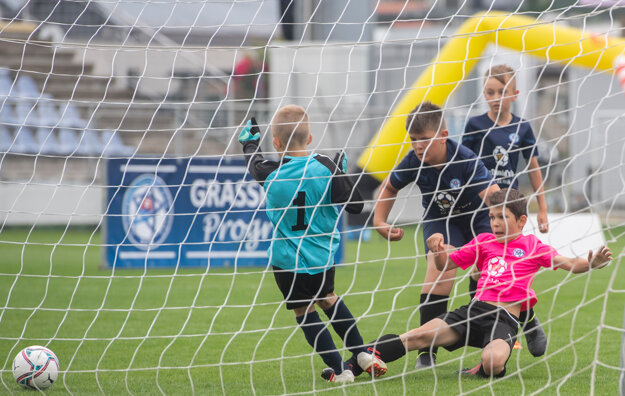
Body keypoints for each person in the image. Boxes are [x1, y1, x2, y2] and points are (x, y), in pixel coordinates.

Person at [358, 188, 612, 378]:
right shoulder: (483, 241)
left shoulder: (533, 246)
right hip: (473, 311)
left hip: (504, 319)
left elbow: (569, 263)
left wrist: (591, 263)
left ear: (521, 221)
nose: (496, 223)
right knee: (420, 336)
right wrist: (437, 249)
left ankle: (481, 368)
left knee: (493, 362)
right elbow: (446, 265)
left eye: (502, 217)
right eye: (492, 217)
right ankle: (359, 360)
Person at [238, 105, 384, 383]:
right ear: (310, 138)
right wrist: (342, 174)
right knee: (328, 299)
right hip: (322, 258)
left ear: (277, 143)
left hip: (287, 261)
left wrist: (249, 142)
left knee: (305, 312)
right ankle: (362, 353)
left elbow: (254, 163)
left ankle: (341, 371)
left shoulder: (271, 173)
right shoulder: (326, 166)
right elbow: (356, 206)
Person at [373, 101, 500, 368]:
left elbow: (493, 196)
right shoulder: (412, 161)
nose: (418, 146)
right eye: (414, 140)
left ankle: (502, 336)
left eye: (425, 140)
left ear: (443, 136)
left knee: (489, 270)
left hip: (477, 218)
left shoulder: (465, 159)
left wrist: (507, 223)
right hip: (441, 219)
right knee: (440, 267)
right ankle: (426, 352)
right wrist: (380, 221)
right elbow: (389, 187)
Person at [463, 64, 550, 356]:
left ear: (515, 93)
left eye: (502, 91)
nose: (496, 97)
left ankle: (526, 322)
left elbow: (533, 168)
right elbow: (462, 166)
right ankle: (490, 332)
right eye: (490, 92)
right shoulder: (474, 125)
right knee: (481, 271)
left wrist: (542, 209)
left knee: (512, 270)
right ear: (484, 94)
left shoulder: (522, 127)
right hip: (479, 210)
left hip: (509, 211)